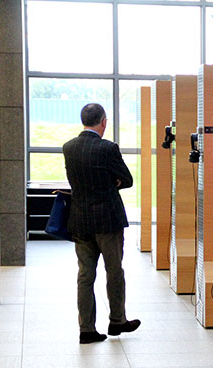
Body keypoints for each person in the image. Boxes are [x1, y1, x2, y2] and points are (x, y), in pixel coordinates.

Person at [63, 103, 141, 344]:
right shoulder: (108, 148)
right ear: (104, 121)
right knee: (114, 270)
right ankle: (117, 321)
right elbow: (126, 179)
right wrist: (112, 182)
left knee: (85, 275)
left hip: (81, 220)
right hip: (108, 220)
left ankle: (86, 328)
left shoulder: (69, 148)